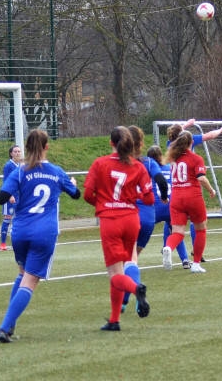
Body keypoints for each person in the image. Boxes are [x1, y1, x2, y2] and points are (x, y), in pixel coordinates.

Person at [0, 129, 81, 343]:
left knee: (22, 273)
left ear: (27, 148)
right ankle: (4, 327)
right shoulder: (56, 172)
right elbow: (76, 194)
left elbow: (1, 197)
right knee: (31, 280)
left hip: (21, 231)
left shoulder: (21, 171)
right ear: (46, 147)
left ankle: (10, 322)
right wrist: (73, 184)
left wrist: (17, 192)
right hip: (44, 232)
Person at [84, 126, 154, 331]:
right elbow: (149, 199)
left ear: (111, 143)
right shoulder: (139, 167)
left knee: (115, 274)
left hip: (111, 221)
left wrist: (103, 205)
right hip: (132, 220)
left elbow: (88, 194)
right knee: (125, 264)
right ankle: (114, 320)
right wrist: (133, 197)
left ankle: (136, 289)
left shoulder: (100, 163)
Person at [120, 126, 169, 313]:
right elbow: (161, 181)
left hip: (129, 214)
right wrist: (164, 196)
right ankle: (126, 302)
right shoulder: (148, 162)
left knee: (128, 260)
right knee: (132, 259)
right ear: (141, 143)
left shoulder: (121, 163)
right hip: (148, 217)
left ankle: (129, 296)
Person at [166, 119, 222, 258]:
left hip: (175, 192)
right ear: (190, 141)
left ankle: (169, 247)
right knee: (199, 225)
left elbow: (178, 131)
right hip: (191, 191)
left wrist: (187, 124)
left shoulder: (170, 147)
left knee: (174, 228)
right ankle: (197, 255)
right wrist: (221, 129)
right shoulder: (194, 155)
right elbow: (210, 135)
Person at [162, 130, 216, 273]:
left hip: (176, 198)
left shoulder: (173, 157)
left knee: (177, 232)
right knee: (200, 229)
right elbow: (201, 178)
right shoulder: (196, 158)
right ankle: (196, 264)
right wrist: (211, 190)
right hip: (192, 197)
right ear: (192, 142)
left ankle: (168, 247)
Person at [146, 145, 190, 268]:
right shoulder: (170, 168)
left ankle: (127, 259)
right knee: (177, 232)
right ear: (161, 156)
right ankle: (185, 260)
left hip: (155, 208)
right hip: (171, 206)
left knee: (136, 232)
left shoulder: (148, 170)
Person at [0, 144, 23, 250]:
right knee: (7, 219)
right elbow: (6, 181)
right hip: (9, 197)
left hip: (19, 197)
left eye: (19, 151)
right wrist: (9, 195)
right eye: (15, 151)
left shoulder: (20, 166)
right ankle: (3, 243)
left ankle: (17, 243)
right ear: (11, 154)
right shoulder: (8, 166)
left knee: (18, 220)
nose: (18, 153)